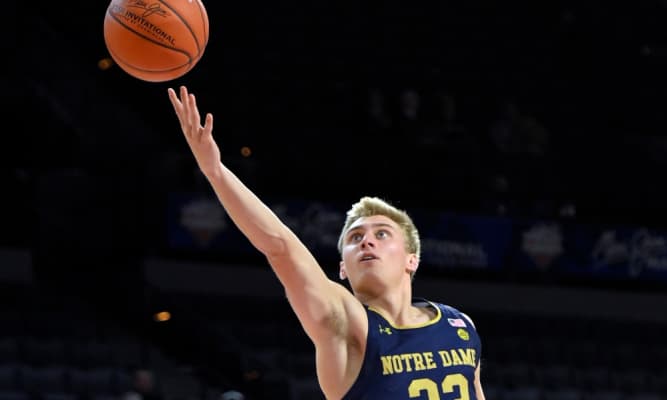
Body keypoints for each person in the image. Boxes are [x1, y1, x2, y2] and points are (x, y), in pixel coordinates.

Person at [167, 86, 486, 400]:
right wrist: (215, 171)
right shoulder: (346, 325)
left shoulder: (459, 324)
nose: (366, 242)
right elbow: (281, 247)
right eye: (355, 238)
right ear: (343, 268)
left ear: (411, 259)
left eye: (382, 234)